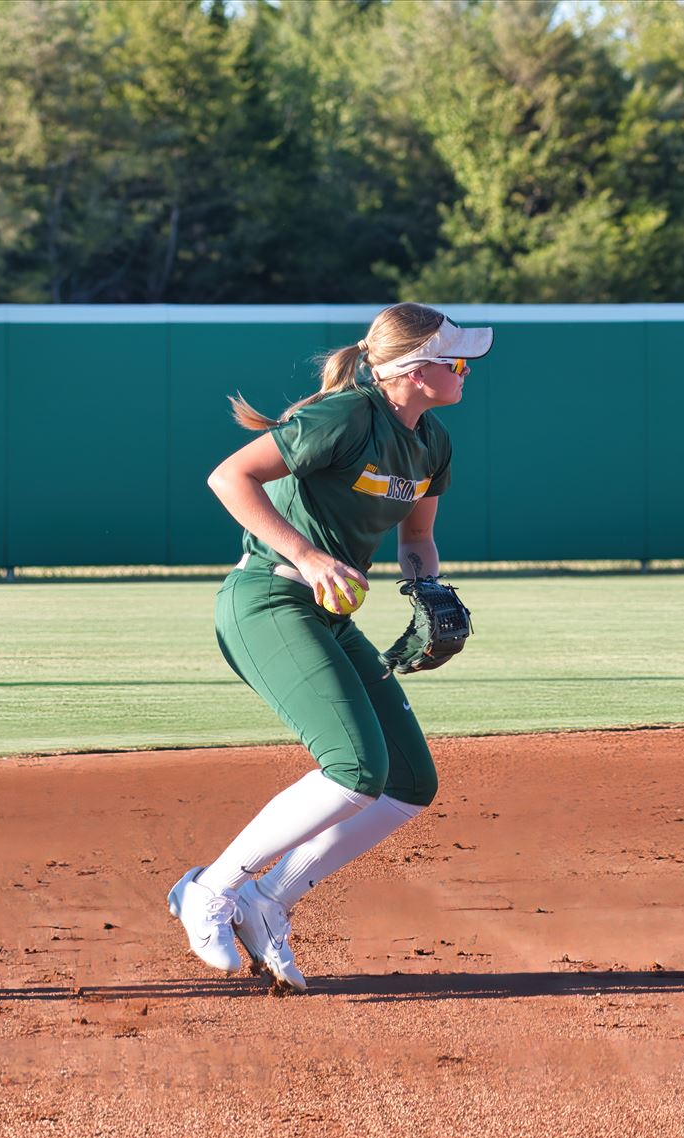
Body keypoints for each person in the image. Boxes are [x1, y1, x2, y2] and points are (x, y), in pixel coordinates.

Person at [166, 302, 491, 992]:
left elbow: (415, 540)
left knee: (407, 784)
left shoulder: (430, 441)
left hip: (326, 613)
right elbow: (230, 476)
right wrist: (309, 557)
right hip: (268, 598)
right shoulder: (347, 416)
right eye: (455, 360)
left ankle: (267, 901)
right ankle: (211, 889)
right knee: (352, 768)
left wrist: (429, 592)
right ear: (413, 369)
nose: (465, 371)